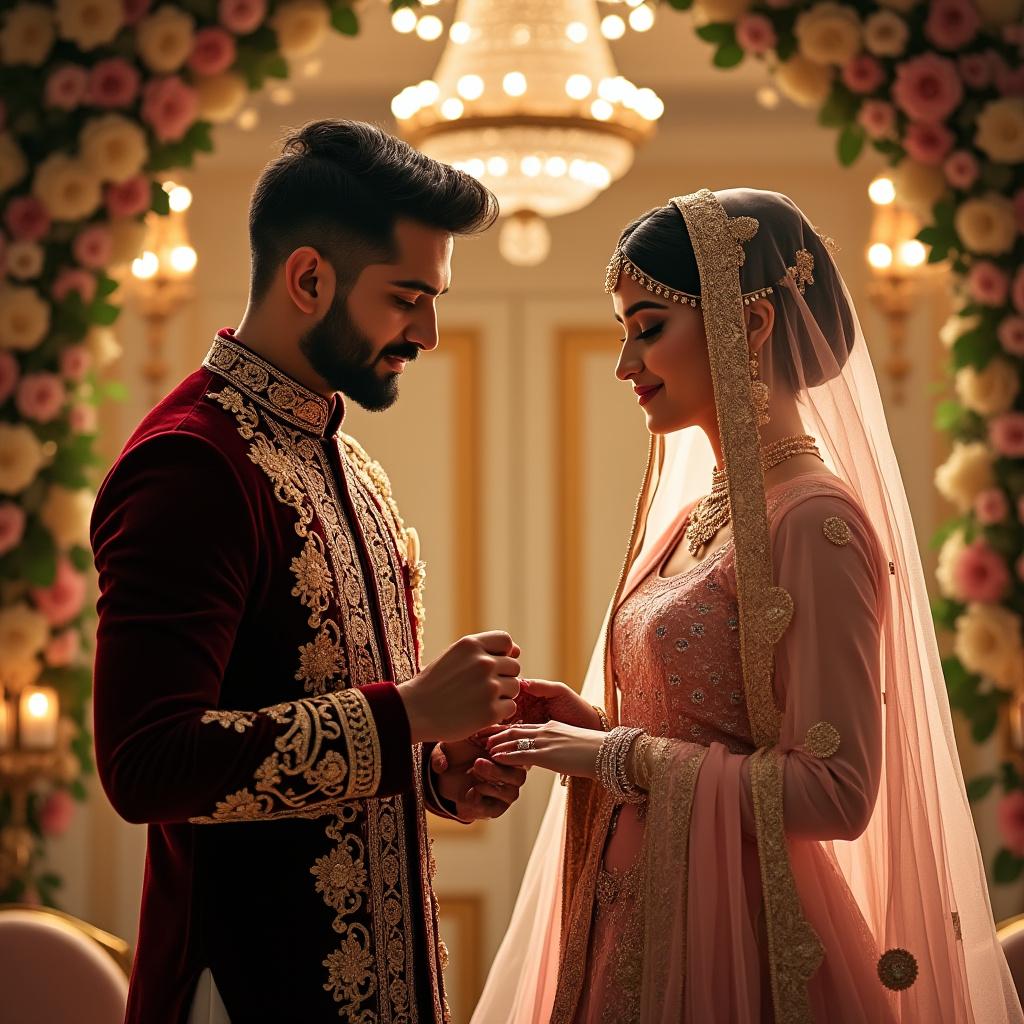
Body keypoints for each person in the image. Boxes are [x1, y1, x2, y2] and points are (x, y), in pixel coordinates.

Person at [475, 188, 1024, 1023]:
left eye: (649, 327)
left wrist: (613, 756)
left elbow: (836, 792)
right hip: (635, 918)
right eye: (624, 332)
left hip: (736, 944)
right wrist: (587, 728)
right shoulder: (701, 518)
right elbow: (703, 726)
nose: (626, 365)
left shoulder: (813, 521)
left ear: (753, 324)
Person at [91, 119, 528, 1024]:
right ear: (309, 279)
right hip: (243, 990)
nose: (429, 332)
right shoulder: (192, 463)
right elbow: (147, 763)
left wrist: (433, 770)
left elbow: (315, 712)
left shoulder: (347, 465)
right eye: (407, 297)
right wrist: (408, 715)